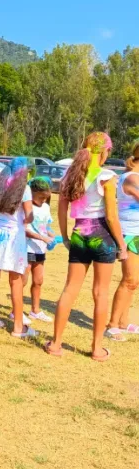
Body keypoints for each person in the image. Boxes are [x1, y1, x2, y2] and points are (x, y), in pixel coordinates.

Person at [46, 132, 126, 361]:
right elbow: (111, 216)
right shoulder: (107, 177)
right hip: (102, 236)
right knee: (101, 293)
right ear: (104, 151)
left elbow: (62, 210)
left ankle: (56, 344)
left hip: (79, 234)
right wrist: (121, 245)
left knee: (69, 289)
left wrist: (65, 236)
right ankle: (97, 349)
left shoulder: (70, 176)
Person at [0, 159, 37, 338]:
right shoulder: (24, 189)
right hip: (14, 238)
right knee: (16, 281)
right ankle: (18, 326)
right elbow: (29, 216)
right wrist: (27, 220)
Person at [106, 142, 139, 338]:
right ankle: (112, 325)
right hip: (130, 234)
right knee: (130, 280)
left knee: (135, 281)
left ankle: (123, 322)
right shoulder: (131, 178)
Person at [24, 176, 55, 323]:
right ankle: (15, 311)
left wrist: (51, 234)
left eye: (45, 198)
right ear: (32, 193)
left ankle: (35, 310)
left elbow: (45, 226)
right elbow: (25, 229)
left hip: (40, 250)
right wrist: (42, 238)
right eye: (41, 197)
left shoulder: (46, 207)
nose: (43, 200)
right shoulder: (27, 207)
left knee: (38, 281)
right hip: (27, 247)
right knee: (22, 281)